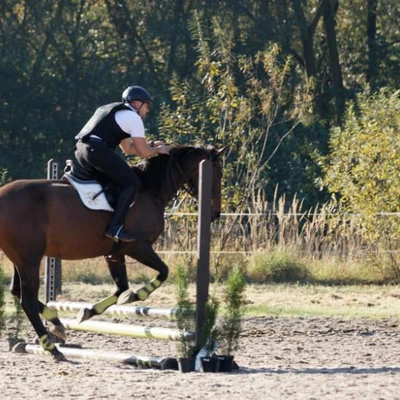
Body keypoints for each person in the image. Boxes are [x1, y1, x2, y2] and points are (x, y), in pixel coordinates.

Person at [74, 85, 170, 242]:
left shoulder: (118, 113)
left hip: (82, 150)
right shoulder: (133, 118)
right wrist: (159, 150)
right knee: (133, 182)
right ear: (137, 104)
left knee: (114, 182)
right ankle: (115, 227)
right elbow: (144, 152)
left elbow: (128, 149)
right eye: (147, 106)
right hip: (97, 150)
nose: (147, 111)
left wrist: (152, 145)